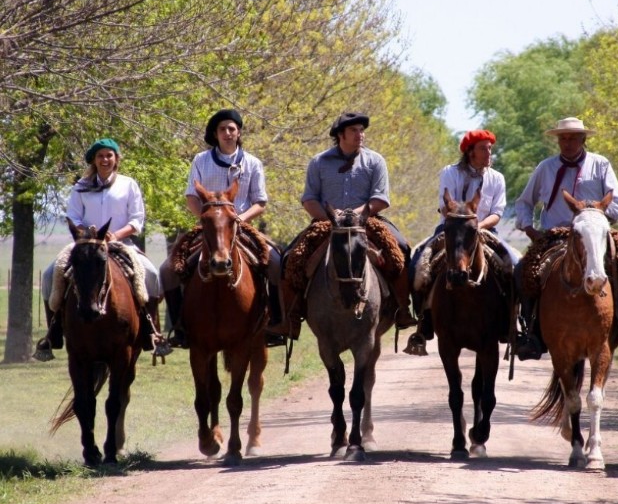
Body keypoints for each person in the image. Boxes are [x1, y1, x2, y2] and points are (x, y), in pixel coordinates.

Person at [266, 111, 416, 340]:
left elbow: (380, 199)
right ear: (340, 135)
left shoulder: (375, 160)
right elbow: (309, 199)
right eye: (354, 130)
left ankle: (403, 310)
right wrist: (331, 219)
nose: (360, 135)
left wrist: (351, 216)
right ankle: (290, 319)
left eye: (361, 130)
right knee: (290, 258)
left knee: (402, 248)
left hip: (368, 222)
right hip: (326, 224)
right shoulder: (319, 162)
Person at [513, 117, 618, 360]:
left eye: (573, 137)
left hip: (594, 232)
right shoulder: (545, 167)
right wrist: (530, 229)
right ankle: (530, 334)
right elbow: (524, 202)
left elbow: (617, 201)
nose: (567, 142)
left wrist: (598, 220)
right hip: (555, 235)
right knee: (523, 270)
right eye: (563, 138)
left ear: (583, 139)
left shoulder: (600, 164)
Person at [34, 138, 162, 360]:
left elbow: (137, 219)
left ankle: (151, 332)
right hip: (85, 245)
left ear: (116, 159)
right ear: (94, 160)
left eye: (109, 155)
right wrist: (85, 232)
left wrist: (116, 234)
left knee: (151, 273)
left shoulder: (128, 184)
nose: (105, 159)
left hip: (119, 243)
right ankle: (53, 333)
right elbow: (73, 215)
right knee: (48, 275)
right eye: (100, 156)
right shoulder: (81, 186)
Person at [160, 109, 278, 348]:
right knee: (167, 269)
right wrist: (207, 219)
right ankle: (179, 328)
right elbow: (192, 197)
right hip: (208, 228)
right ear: (215, 134)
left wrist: (239, 219)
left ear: (239, 132)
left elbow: (260, 202)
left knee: (276, 262)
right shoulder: (200, 160)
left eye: (232, 129)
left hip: (243, 226)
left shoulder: (253, 163)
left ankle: (275, 323)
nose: (227, 133)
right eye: (222, 129)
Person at [404, 129, 518, 354]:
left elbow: (497, 211)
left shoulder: (497, 178)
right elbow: (445, 205)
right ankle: (423, 322)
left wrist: (479, 227)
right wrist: (462, 225)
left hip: (486, 228)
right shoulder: (450, 172)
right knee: (418, 264)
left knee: (514, 265)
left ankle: (513, 324)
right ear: (470, 152)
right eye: (483, 148)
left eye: (490, 148)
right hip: (451, 228)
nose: (489, 152)